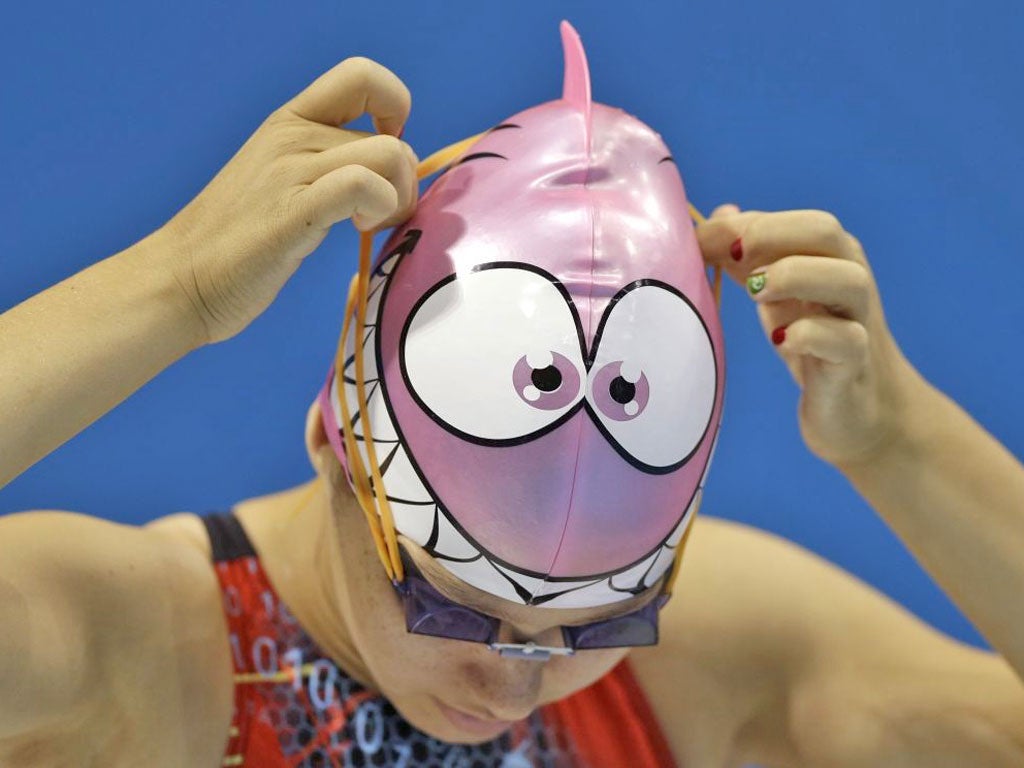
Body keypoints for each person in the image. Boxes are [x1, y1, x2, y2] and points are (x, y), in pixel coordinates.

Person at [2, 34, 1024, 767]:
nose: (512, 684)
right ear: (335, 434)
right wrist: (171, 288)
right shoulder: (129, 649)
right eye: (454, 605)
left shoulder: (706, 653)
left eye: (596, 626)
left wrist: (902, 444)